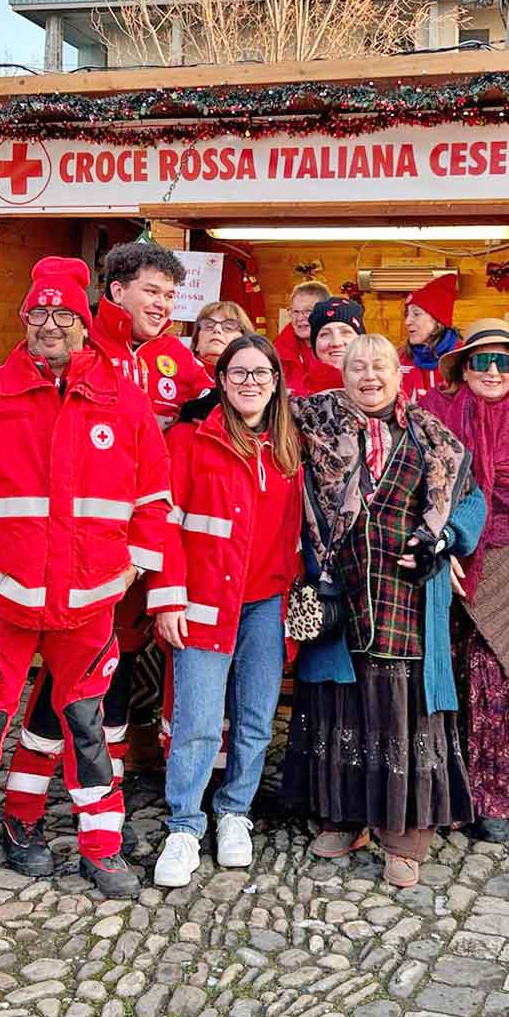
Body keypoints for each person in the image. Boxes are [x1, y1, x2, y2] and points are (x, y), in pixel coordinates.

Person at [0, 257, 171, 908]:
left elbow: (153, 496)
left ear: (86, 326)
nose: (52, 324)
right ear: (24, 317)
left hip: (88, 601)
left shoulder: (124, 399)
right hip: (2, 597)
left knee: (87, 730)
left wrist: (136, 564)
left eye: (66, 313)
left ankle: (100, 846)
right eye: (41, 312)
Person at [283, 333, 486, 888]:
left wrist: (444, 543)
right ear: (339, 373)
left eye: (379, 366)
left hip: (410, 595)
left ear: (400, 374)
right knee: (340, 703)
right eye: (355, 367)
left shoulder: (433, 437)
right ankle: (345, 818)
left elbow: (473, 500)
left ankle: (405, 834)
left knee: (404, 707)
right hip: (338, 589)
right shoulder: (312, 423)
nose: (368, 375)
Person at [148, 333, 301, 888]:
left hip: (266, 601)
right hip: (203, 600)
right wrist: (166, 594)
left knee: (257, 719)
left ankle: (235, 811)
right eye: (239, 373)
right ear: (221, 380)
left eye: (261, 373)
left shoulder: (289, 445)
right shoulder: (192, 440)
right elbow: (165, 523)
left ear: (276, 381)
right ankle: (184, 825)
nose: (250, 383)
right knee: (197, 721)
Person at [418, 321, 509, 843]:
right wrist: (440, 542)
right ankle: (441, 797)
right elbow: (416, 483)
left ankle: (492, 799)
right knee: (439, 679)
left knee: (493, 682)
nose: (492, 371)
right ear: (463, 367)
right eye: (481, 361)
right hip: (439, 564)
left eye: (503, 362)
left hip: (503, 566)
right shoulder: (433, 415)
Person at [398, 274, 461, 401]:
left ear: (438, 320)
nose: (407, 321)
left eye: (416, 314)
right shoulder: (399, 358)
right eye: (407, 314)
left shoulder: (463, 357)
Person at [297, 295, 365, 395]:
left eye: (345, 332)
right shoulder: (296, 398)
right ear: (314, 344)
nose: (336, 343)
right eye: (325, 334)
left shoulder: (384, 386)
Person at [275, 281, 330, 394]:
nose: (299, 318)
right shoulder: (277, 351)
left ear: (326, 312)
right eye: (295, 311)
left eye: (308, 311)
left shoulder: (340, 351)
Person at [192, 299, 255, 373]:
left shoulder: (255, 380)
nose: (216, 329)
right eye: (208, 326)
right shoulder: (176, 378)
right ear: (197, 342)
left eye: (228, 327)